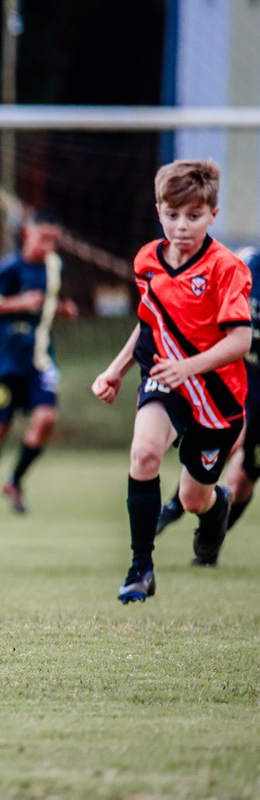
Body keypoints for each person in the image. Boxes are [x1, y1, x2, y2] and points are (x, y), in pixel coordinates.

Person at [91, 160, 251, 603]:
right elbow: (150, 322)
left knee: (194, 498)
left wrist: (191, 366)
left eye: (193, 216)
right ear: (158, 210)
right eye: (172, 214)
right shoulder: (148, 260)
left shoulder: (226, 268)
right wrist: (116, 370)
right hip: (163, 376)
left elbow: (239, 340)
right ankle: (140, 569)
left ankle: (216, 508)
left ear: (212, 214)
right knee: (144, 453)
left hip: (217, 398)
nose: (182, 226)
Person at [153, 245, 260, 558]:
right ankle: (174, 505)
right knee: (231, 437)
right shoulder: (246, 263)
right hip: (241, 378)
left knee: (241, 481)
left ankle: (210, 545)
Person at [0, 209, 78, 515]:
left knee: (46, 419)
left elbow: (45, 305)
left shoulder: (55, 267)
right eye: (44, 238)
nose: (49, 246)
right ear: (27, 234)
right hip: (6, 362)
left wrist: (61, 309)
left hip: (40, 360)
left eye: (54, 240)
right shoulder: (9, 268)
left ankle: (14, 481)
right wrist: (19, 302)